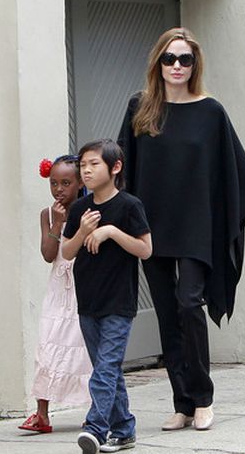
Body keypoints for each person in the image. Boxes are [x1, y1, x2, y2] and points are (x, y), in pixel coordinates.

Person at [117, 27, 245, 431]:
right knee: (166, 314)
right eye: (170, 58)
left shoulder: (210, 111)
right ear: (158, 63)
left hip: (195, 226)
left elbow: (238, 165)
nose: (177, 66)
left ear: (195, 65)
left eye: (185, 59)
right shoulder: (139, 108)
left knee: (188, 304)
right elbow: (120, 163)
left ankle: (203, 398)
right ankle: (182, 403)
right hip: (151, 225)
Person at [62, 140, 152, 454]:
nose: (86, 171)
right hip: (88, 300)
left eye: (94, 164)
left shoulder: (129, 206)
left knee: (105, 367)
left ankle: (95, 428)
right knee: (108, 369)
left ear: (115, 167)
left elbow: (146, 249)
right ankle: (124, 430)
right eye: (82, 165)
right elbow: (66, 252)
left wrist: (110, 231)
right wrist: (83, 232)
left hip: (119, 301)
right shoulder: (79, 209)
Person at [19, 154, 92, 433]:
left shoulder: (89, 212)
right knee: (48, 346)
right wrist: (57, 224)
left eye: (65, 183)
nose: (59, 189)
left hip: (83, 288)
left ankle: (95, 410)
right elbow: (49, 255)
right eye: (53, 183)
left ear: (79, 183)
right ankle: (42, 413)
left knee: (85, 350)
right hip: (58, 290)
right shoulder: (47, 214)